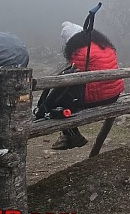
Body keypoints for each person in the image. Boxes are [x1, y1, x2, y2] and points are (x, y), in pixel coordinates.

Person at [51, 22, 124, 150]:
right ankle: (68, 137)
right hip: (114, 95)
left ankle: (72, 136)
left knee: (56, 103)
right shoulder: (105, 45)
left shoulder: (79, 51)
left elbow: (74, 78)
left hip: (99, 98)